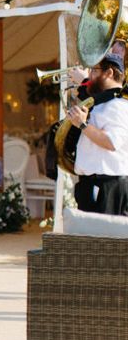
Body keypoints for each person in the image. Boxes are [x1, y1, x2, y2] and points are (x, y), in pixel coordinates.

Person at [68, 50, 128, 216]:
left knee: (105, 240)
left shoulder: (116, 105)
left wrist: (82, 124)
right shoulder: (104, 102)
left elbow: (111, 142)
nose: (90, 75)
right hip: (97, 184)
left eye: (94, 70)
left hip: (107, 185)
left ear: (109, 73)